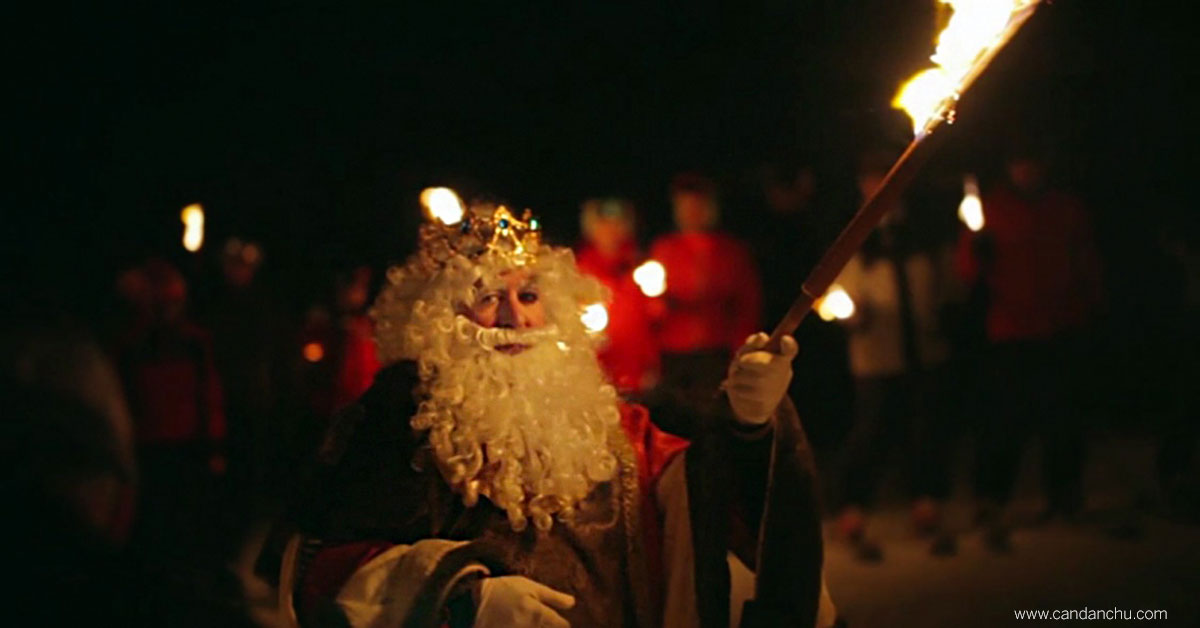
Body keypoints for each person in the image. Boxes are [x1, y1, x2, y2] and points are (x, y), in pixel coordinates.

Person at [258, 204, 835, 627]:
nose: (515, 316)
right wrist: (463, 598)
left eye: (530, 295)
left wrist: (749, 422)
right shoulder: (393, 427)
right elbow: (324, 571)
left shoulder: (612, 428)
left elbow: (711, 503)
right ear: (439, 316)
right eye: (487, 296)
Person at [956, 145, 1105, 550]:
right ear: (1010, 167)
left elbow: (1086, 258)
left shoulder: (1066, 208)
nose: (1027, 170)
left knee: (1063, 417)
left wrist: (1092, 306)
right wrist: (977, 250)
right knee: (1004, 419)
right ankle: (993, 497)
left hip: (1060, 327)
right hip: (1009, 331)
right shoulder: (991, 209)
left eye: (1033, 162)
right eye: (1019, 162)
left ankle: (1065, 493)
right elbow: (968, 271)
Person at [830, 149, 962, 561]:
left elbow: (948, 282)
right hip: (875, 352)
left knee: (926, 427)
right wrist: (851, 314)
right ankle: (853, 506)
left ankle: (926, 499)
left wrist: (944, 311)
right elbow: (836, 290)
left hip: (925, 347)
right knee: (872, 429)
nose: (877, 188)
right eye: (870, 180)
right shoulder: (854, 236)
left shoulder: (923, 230)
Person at [650, 174, 764, 410]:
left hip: (716, 351)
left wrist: (742, 351)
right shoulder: (665, 249)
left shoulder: (731, 251)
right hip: (673, 352)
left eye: (698, 205)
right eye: (685, 205)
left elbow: (747, 304)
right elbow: (649, 305)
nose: (691, 212)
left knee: (712, 412)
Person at [575, 197, 660, 393]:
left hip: (638, 372)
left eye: (617, 223)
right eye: (603, 223)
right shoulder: (578, 272)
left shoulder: (641, 268)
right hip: (596, 372)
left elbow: (654, 321)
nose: (611, 229)